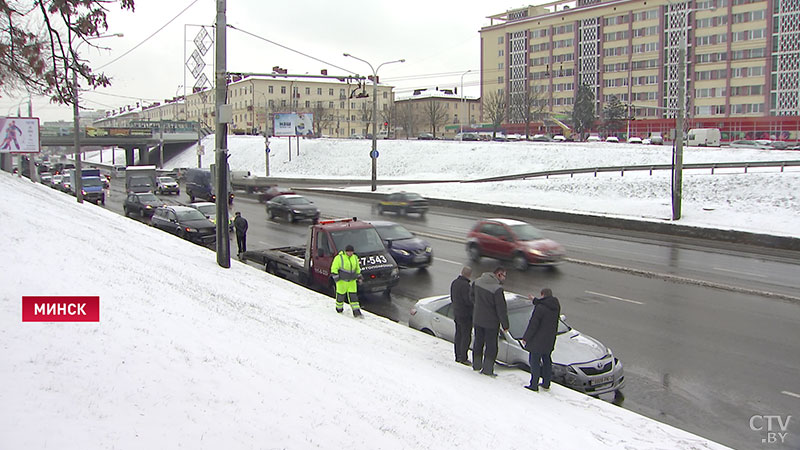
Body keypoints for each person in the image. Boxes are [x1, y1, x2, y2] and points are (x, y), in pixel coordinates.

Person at [471, 266, 509, 377]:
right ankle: (487, 369)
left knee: (478, 342)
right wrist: (505, 324)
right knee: (491, 346)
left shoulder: (477, 282)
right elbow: (501, 308)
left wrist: (478, 307)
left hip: (478, 319)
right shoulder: (497, 289)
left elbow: (471, 296)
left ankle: (476, 364)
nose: (504, 279)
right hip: (491, 323)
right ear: (498, 275)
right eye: (504, 276)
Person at [521, 288, 561, 392]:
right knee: (547, 360)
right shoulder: (555, 306)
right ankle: (546, 383)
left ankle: (534, 384)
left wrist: (526, 337)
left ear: (542, 295)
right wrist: (534, 300)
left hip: (538, 340)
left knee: (534, 362)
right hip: (549, 339)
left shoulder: (540, 308)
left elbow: (533, 325)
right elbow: (544, 304)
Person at [330, 244, 363, 317]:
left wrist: (359, 277)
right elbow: (334, 268)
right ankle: (339, 308)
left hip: (352, 281)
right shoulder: (339, 258)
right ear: (346, 251)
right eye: (349, 252)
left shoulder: (355, 258)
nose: (350, 253)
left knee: (353, 297)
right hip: (342, 281)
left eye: (351, 252)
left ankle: (356, 311)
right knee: (340, 296)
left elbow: (357, 268)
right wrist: (336, 278)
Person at [450, 266, 473, 365]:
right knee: (466, 336)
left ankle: (457, 355)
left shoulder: (454, 283)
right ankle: (463, 357)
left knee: (458, 334)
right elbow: (468, 301)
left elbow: (452, 297)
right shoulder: (466, 286)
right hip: (465, 315)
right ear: (469, 275)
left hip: (456, 312)